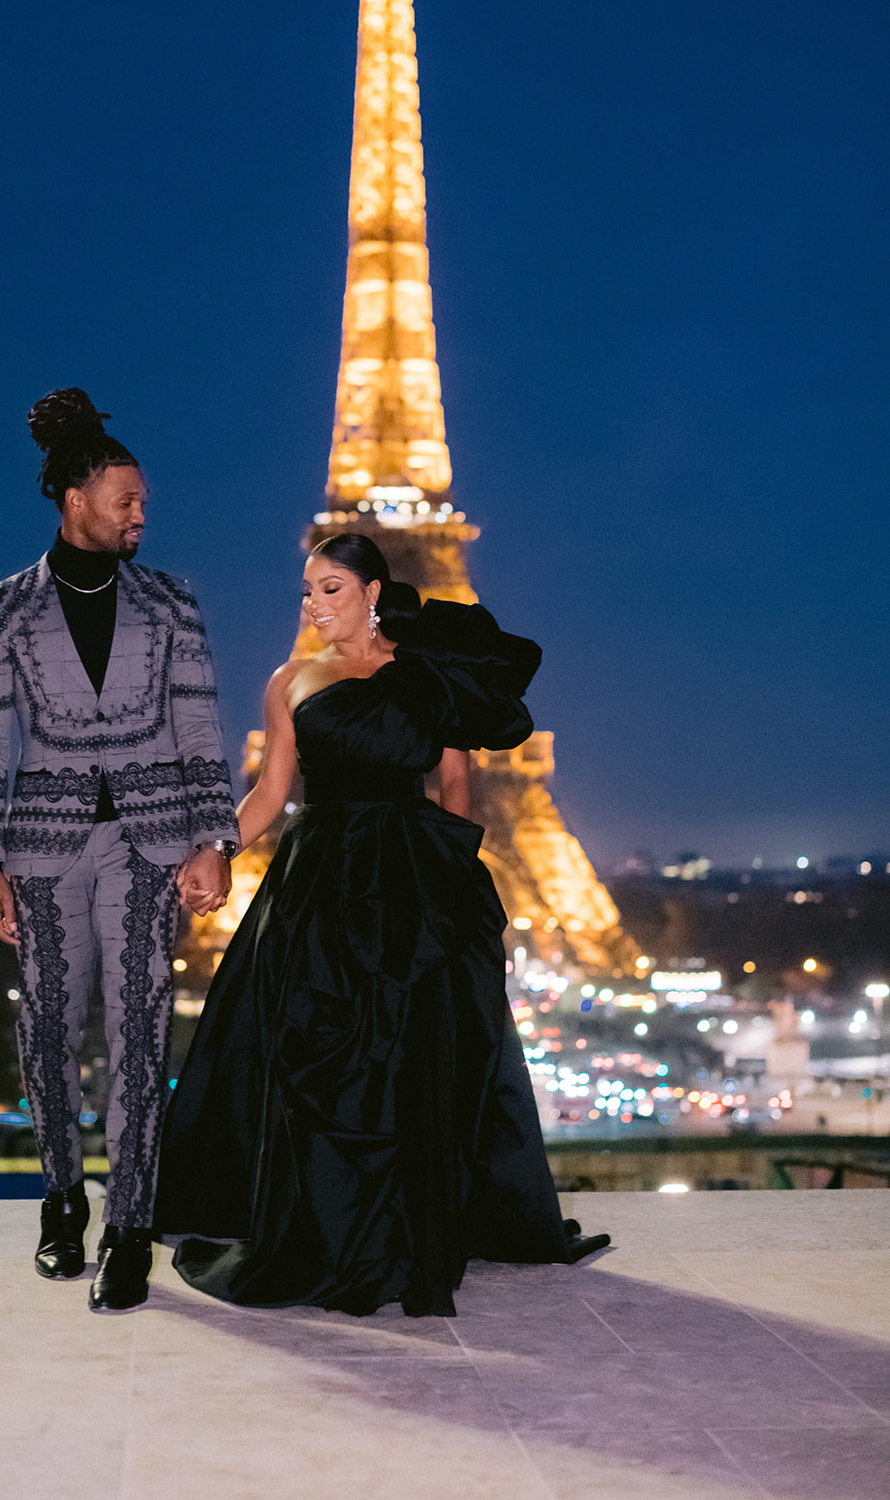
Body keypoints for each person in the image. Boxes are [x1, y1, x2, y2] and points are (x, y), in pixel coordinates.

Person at [154, 533, 609, 1317]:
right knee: (318, 1051)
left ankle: (398, 1229)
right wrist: (217, 850)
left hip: (407, 875)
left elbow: (455, 783)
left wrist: (451, 875)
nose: (312, 605)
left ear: (371, 593)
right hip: (320, 880)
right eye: (306, 591)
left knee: (406, 1053)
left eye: (329, 589)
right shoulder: (290, 680)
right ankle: (328, 1230)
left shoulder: (428, 674)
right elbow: (270, 794)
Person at [0, 388, 238, 1311]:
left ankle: (128, 1227)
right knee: (44, 1028)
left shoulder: (171, 604)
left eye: (144, 501)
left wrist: (215, 838)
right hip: (41, 847)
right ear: (76, 496)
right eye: (127, 499)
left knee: (140, 1028)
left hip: (149, 843)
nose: (141, 514)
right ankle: (61, 1199)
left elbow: (201, 730)